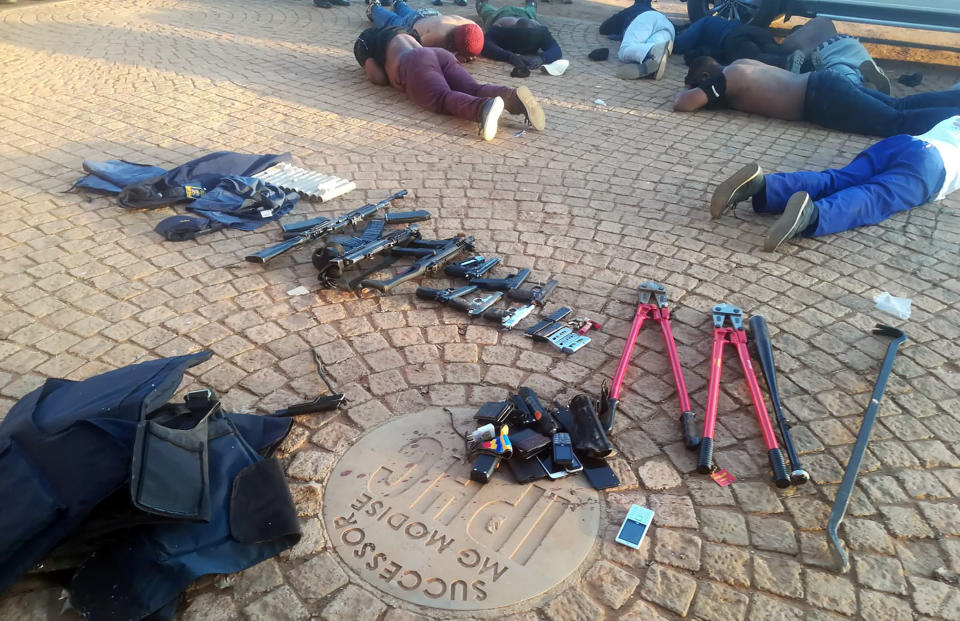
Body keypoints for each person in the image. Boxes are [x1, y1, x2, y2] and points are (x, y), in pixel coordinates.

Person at [709, 115, 960, 251]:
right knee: (875, 195)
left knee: (838, 178)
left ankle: (763, 186)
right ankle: (813, 214)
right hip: (934, 166)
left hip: (905, 142)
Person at [675, 57, 960, 138]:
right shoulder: (742, 63)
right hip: (823, 83)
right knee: (899, 105)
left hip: (819, 99)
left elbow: (684, 104)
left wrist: (687, 91)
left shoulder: (731, 78)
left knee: (894, 123)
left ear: (703, 78)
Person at [355, 25, 545, 141]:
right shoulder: (400, 32)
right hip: (438, 54)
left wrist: (372, 68)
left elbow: (376, 77)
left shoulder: (367, 44)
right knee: (474, 88)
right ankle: (513, 97)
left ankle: (482, 108)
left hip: (413, 63)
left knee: (441, 97)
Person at [777, 17, 889, 93]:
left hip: (830, 50)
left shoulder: (802, 39)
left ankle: (859, 83)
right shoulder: (824, 24)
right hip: (850, 43)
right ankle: (873, 74)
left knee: (846, 76)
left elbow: (785, 47)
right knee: (862, 64)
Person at [674, 16, 803, 72]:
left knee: (754, 59)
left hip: (733, 38)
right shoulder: (710, 21)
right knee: (772, 49)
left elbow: (680, 44)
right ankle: (806, 61)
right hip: (754, 30)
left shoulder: (698, 25)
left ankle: (785, 62)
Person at [367, 0, 485, 61]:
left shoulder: (474, 28)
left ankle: (398, 3)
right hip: (413, 24)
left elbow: (474, 42)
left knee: (408, 13)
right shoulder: (438, 35)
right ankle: (374, 8)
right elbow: (418, 47)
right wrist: (452, 54)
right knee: (393, 20)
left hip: (430, 14)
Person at [475, 0, 566, 76]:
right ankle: (482, 3)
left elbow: (556, 50)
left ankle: (482, 3)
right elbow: (485, 45)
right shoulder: (501, 30)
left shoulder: (539, 32)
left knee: (531, 9)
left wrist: (542, 58)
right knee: (486, 10)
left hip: (523, 15)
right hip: (500, 15)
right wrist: (509, 56)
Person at [598, 0, 675, 80]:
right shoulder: (656, 12)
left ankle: (651, 51)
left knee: (625, 50)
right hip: (668, 26)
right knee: (658, 46)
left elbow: (604, 28)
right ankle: (653, 58)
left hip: (644, 18)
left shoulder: (634, 9)